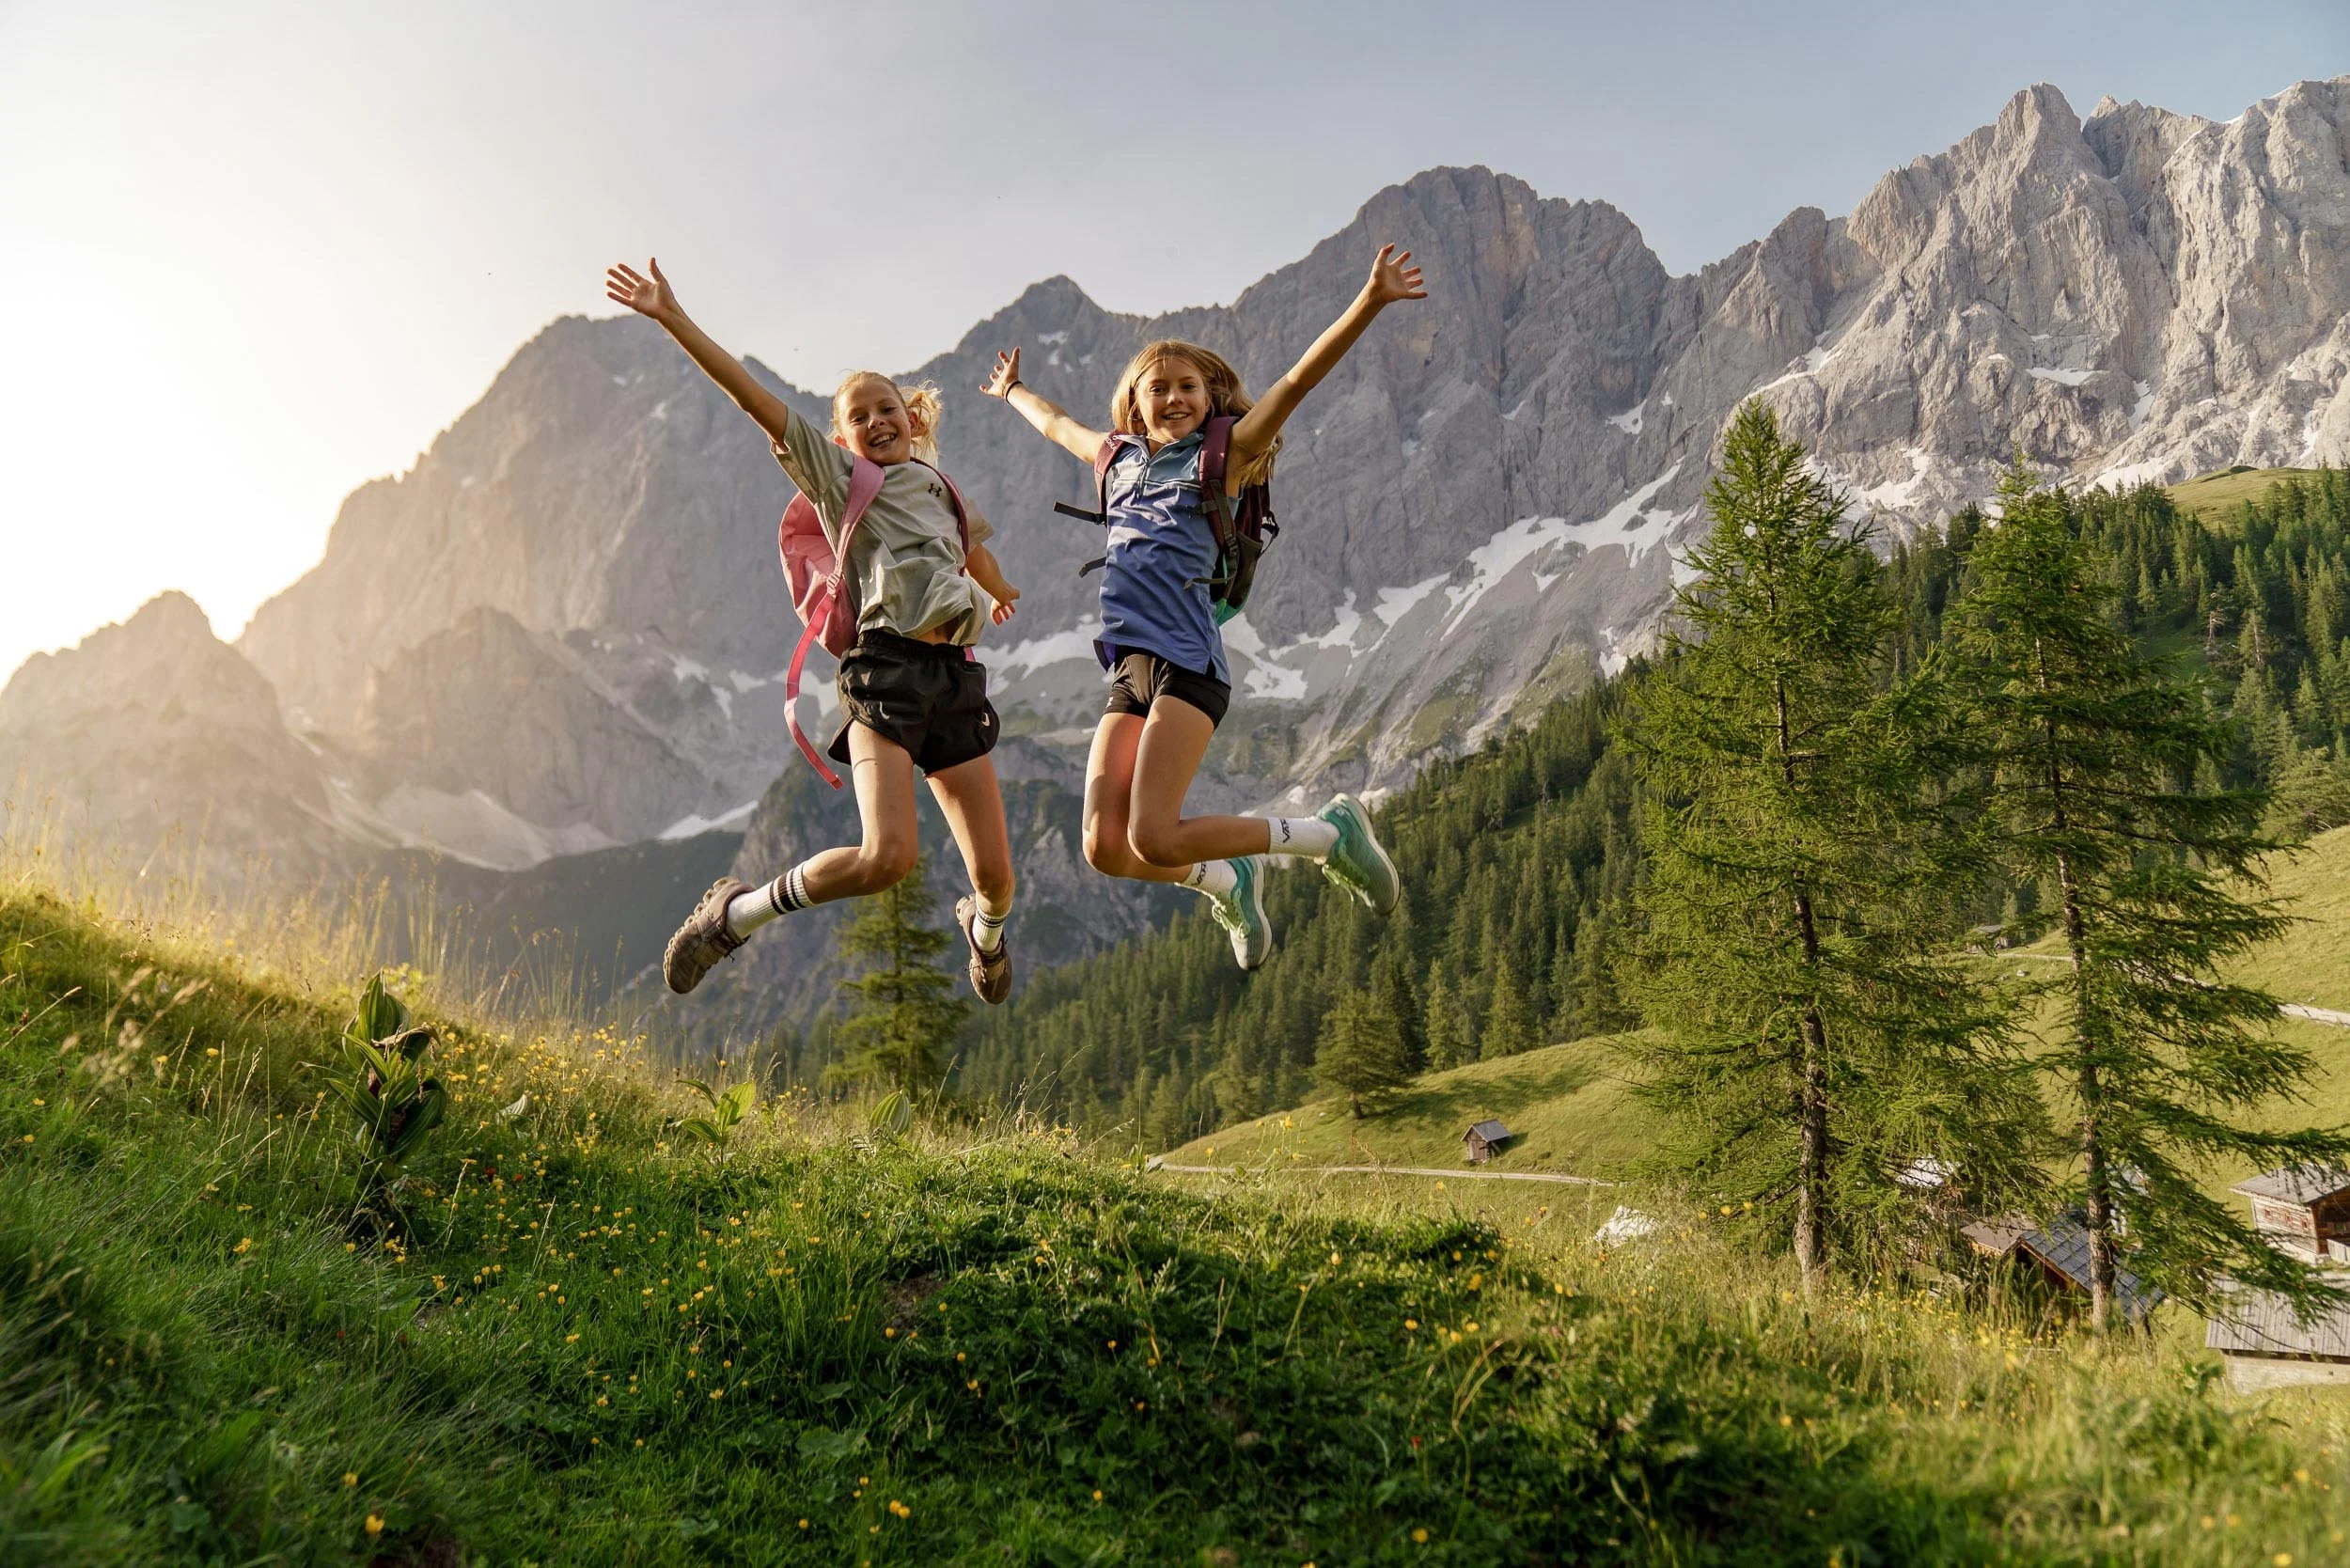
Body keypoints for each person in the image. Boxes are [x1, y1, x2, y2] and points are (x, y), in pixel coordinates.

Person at [981, 245, 1426, 968]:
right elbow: (1058, 424)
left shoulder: (1225, 457)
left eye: (1188, 386)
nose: (1174, 398)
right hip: (1128, 671)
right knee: (1102, 847)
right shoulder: (1117, 460)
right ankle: (1228, 879)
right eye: (1157, 389)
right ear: (1134, 404)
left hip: (1189, 667)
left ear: (1210, 398)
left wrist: (1370, 301)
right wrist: (1013, 393)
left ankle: (1327, 835)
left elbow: (1298, 380)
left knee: (1153, 837)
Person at [604, 259, 1021, 1004]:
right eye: (856, 416)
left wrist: (999, 591)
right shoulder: (840, 480)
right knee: (886, 858)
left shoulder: (944, 488)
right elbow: (752, 399)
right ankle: (732, 915)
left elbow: (973, 547)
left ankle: (983, 936)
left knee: (997, 882)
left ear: (914, 415)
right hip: (884, 672)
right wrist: (673, 319)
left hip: (956, 677)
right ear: (838, 438)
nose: (875, 420)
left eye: (885, 406)